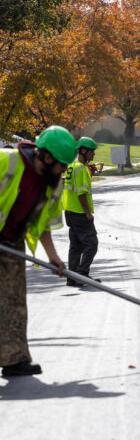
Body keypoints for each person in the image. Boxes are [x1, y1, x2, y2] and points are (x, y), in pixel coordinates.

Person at [0, 125, 77, 376]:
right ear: (46, 157)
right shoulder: (6, 162)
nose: (65, 169)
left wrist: (52, 255)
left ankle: (14, 359)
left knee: (14, 300)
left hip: (11, 242)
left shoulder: (51, 181)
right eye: (62, 164)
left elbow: (43, 222)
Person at [63, 136, 100, 286]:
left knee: (76, 245)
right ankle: (82, 274)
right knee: (92, 244)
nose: (94, 155)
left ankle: (71, 277)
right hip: (80, 213)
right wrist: (87, 213)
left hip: (70, 212)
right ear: (83, 150)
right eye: (92, 151)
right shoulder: (81, 169)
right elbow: (81, 193)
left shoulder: (73, 166)